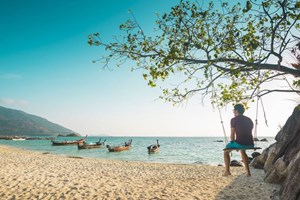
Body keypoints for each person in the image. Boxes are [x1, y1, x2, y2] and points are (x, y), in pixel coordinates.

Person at [223, 103, 254, 177]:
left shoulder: (234, 120)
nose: (233, 112)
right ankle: (248, 172)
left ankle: (227, 171)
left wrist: (233, 143)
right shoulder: (249, 119)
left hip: (240, 143)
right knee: (243, 151)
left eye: (233, 110)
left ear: (236, 111)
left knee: (226, 151)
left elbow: (232, 135)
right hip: (250, 143)